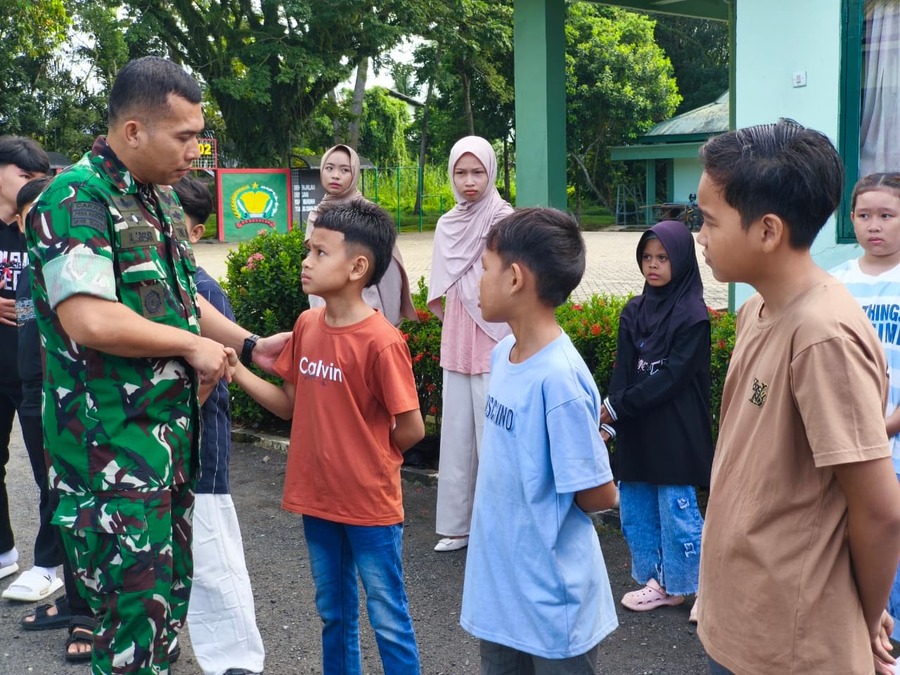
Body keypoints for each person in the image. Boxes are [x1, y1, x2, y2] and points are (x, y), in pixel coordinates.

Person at [27, 56, 285, 675]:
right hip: (110, 458)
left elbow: (181, 297)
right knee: (129, 634)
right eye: (185, 136)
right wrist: (191, 347)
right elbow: (89, 318)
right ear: (134, 131)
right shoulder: (75, 198)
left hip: (165, 448)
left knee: (163, 619)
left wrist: (252, 346)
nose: (196, 151)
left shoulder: (159, 199)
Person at [695, 119, 900, 675]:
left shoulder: (823, 334)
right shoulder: (755, 311)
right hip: (741, 618)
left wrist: (864, 614)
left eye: (709, 220)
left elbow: (879, 511)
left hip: (790, 641)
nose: (700, 236)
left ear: (767, 231)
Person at [233, 198, 424, 674]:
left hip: (370, 506)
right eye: (309, 250)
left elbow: (411, 427)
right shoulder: (307, 325)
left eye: (320, 252)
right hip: (317, 499)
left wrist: (368, 458)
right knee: (333, 614)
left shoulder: (382, 341)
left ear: (357, 267)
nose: (307, 261)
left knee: (388, 616)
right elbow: (290, 406)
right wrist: (235, 370)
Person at [460, 207, 619, 673]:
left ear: (514, 278)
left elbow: (598, 494)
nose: (477, 282)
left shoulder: (559, 379)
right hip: (501, 591)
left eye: (484, 269)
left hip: (553, 601)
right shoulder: (502, 356)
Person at [174, 176, 265, 675]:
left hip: (198, 437)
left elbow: (215, 370)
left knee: (212, 552)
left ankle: (236, 660)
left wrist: (182, 418)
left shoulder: (202, 288)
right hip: (167, 438)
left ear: (196, 232)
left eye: (176, 224)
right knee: (179, 548)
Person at [600, 220, 713, 622]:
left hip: (675, 430)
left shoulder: (694, 316)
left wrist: (620, 406)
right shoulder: (634, 311)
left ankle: (703, 588)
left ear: (681, 260)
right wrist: (611, 419)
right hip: (639, 427)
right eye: (647, 257)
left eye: (663, 257)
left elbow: (672, 378)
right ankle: (662, 583)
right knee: (637, 508)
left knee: (677, 511)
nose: (653, 265)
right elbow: (624, 370)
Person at [10, 176, 97, 664]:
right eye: (27, 218)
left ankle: (90, 612)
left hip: (69, 400)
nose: (34, 225)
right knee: (54, 498)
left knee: (80, 506)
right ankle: (74, 600)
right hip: (33, 398)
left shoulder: (75, 263)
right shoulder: (29, 267)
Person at [428, 135, 513, 552]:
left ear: (491, 171)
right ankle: (458, 525)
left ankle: (499, 527)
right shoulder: (448, 223)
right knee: (458, 433)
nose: (469, 181)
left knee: (493, 433)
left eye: (477, 171)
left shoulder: (504, 219)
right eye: (460, 173)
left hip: (494, 332)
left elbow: (511, 278)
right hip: (459, 332)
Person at [830, 172, 900, 645]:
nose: (874, 225)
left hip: (891, 447)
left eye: (887, 215)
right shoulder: (836, 283)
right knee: (854, 550)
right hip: (846, 447)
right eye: (864, 215)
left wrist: (885, 427)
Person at [0, 136, 49, 584]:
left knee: (50, 472)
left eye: (40, 177)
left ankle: (51, 565)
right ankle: (4, 553)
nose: (33, 184)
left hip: (38, 374)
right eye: (24, 175)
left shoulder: (44, 224)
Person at [305, 143, 415, 327]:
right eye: (329, 168)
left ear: (355, 173)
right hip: (325, 301)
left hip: (364, 301)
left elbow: (388, 268)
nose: (335, 175)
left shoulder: (367, 214)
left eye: (345, 170)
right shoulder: (316, 214)